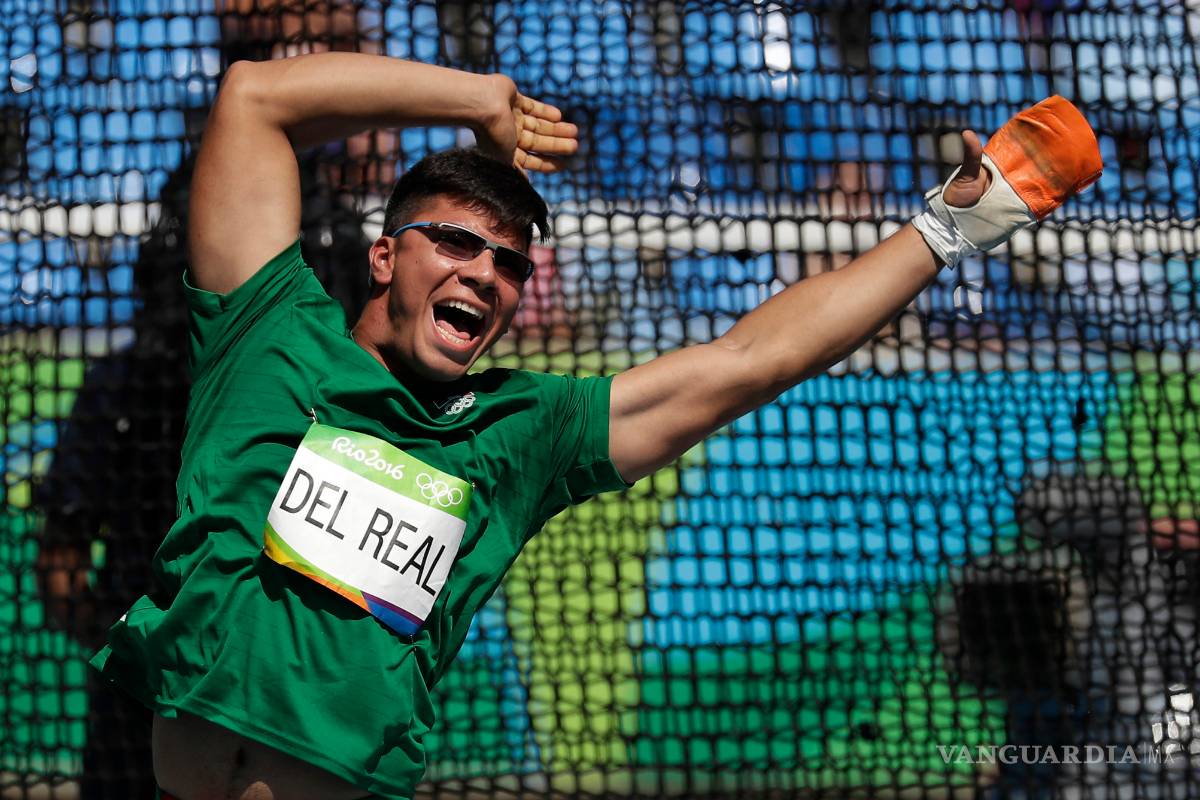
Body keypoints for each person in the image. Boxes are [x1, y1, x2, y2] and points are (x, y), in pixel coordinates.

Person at [88, 50, 1101, 799]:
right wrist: (479, 98)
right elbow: (253, 99)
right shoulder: (272, 329)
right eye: (456, 243)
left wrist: (949, 227)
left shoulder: (520, 430)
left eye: (510, 265)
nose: (486, 274)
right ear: (386, 258)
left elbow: (752, 361)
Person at [34, 3, 378, 796]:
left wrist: (127, 642)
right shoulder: (323, 403)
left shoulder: (125, 385)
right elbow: (59, 560)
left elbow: (57, 562)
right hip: (251, 709)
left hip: (238, 706)